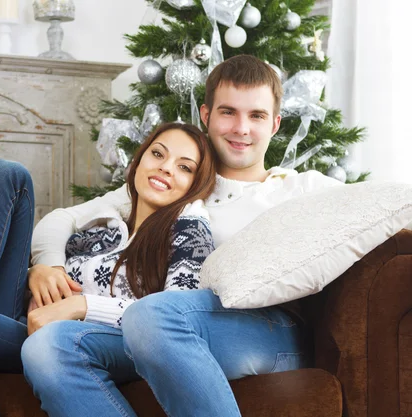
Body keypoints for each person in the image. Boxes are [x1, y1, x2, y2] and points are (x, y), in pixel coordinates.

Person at [29, 54, 344, 416]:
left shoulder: (300, 188)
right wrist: (47, 266)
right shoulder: (176, 182)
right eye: (228, 112)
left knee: (153, 316)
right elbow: (61, 219)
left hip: (266, 328)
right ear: (207, 116)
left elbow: (383, 211)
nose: (241, 128)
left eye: (256, 115)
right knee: (49, 345)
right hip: (165, 328)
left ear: (274, 124)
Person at [0, 122, 217, 417]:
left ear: (196, 185)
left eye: (184, 167)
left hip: (94, 341)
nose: (165, 167)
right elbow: (54, 231)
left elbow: (174, 319)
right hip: (25, 325)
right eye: (158, 154)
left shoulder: (189, 228)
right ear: (138, 161)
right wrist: (40, 270)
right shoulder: (105, 223)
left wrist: (79, 306)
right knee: (6, 175)